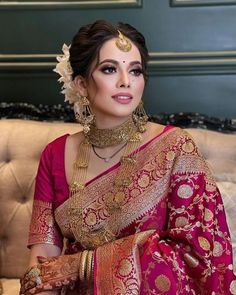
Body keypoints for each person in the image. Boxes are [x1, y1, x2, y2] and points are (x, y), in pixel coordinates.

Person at [20, 19, 236, 295]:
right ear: (82, 84)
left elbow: (199, 254)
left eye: (135, 71)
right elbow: (42, 266)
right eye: (110, 69)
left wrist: (83, 265)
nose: (126, 82)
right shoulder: (55, 154)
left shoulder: (175, 148)